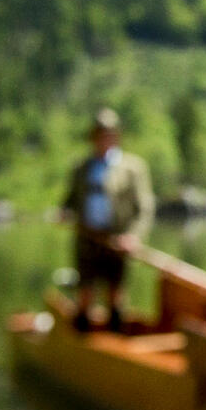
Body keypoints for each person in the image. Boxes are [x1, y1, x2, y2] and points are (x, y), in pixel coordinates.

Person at [61, 108, 156, 332]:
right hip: (87, 238)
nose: (105, 138)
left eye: (109, 134)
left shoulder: (133, 168)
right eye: (100, 134)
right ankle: (82, 342)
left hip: (117, 241)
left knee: (116, 293)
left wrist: (133, 237)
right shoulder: (81, 167)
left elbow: (144, 208)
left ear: (117, 136)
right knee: (85, 290)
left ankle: (115, 340)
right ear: (93, 137)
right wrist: (64, 212)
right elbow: (69, 200)